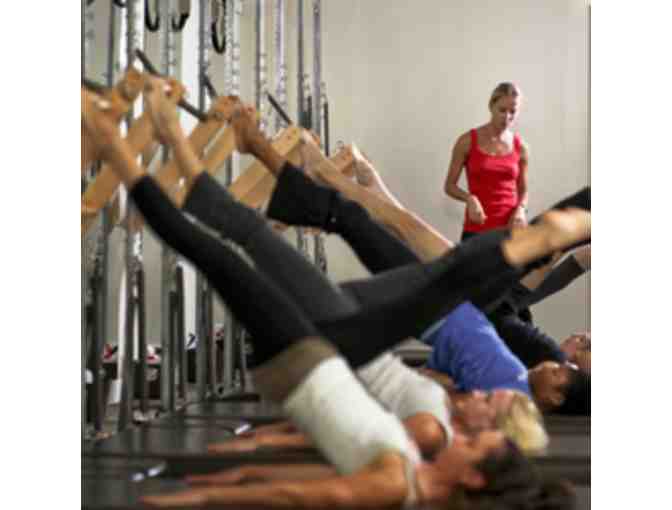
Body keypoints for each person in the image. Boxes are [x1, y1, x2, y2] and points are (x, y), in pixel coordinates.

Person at [82, 80, 582, 510]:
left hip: (351, 341)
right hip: (365, 336)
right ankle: (184, 141)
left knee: (416, 254)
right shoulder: (446, 422)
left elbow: (310, 485)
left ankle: (176, 144)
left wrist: (234, 470)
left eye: (565, 369)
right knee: (324, 232)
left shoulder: (436, 437)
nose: (565, 356)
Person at [444, 82, 530, 241]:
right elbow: (449, 186)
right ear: (491, 106)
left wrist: (521, 209)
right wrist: (469, 198)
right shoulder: (467, 141)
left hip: (510, 233)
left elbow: (523, 190)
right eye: (502, 110)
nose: (507, 117)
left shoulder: (521, 147)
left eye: (513, 111)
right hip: (476, 230)